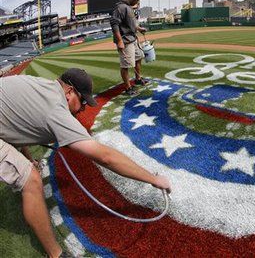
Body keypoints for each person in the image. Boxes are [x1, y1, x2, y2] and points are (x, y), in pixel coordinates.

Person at [0, 69, 171, 258]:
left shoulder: (42, 86)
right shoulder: (55, 109)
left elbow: (14, 119)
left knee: (28, 169)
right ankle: (56, 255)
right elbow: (105, 156)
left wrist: (27, 158)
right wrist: (153, 178)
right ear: (70, 92)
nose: (83, 108)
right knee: (31, 180)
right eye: (82, 101)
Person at [110, 0, 148, 95]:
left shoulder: (129, 8)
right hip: (125, 40)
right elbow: (114, 24)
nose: (138, 2)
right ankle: (127, 88)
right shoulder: (121, 7)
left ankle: (138, 79)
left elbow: (131, 24)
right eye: (138, 0)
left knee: (139, 57)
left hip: (133, 38)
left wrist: (139, 29)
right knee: (125, 65)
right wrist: (119, 41)